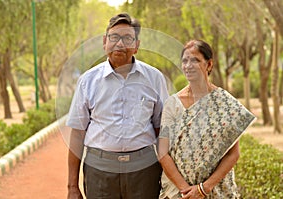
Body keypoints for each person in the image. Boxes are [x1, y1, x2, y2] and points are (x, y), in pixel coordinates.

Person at [66, 13, 169, 199]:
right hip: (99, 170)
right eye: (114, 37)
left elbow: (162, 129)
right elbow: (77, 133)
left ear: (136, 46)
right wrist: (72, 186)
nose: (120, 44)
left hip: (144, 170)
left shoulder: (154, 78)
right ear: (105, 42)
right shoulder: (87, 81)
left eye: (127, 38)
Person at [157, 39, 256, 199]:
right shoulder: (172, 104)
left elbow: (233, 153)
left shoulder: (224, 102)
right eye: (184, 61)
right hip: (178, 192)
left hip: (216, 190)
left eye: (194, 60)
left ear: (209, 65)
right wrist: (186, 190)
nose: (188, 66)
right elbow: (163, 152)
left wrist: (204, 188)